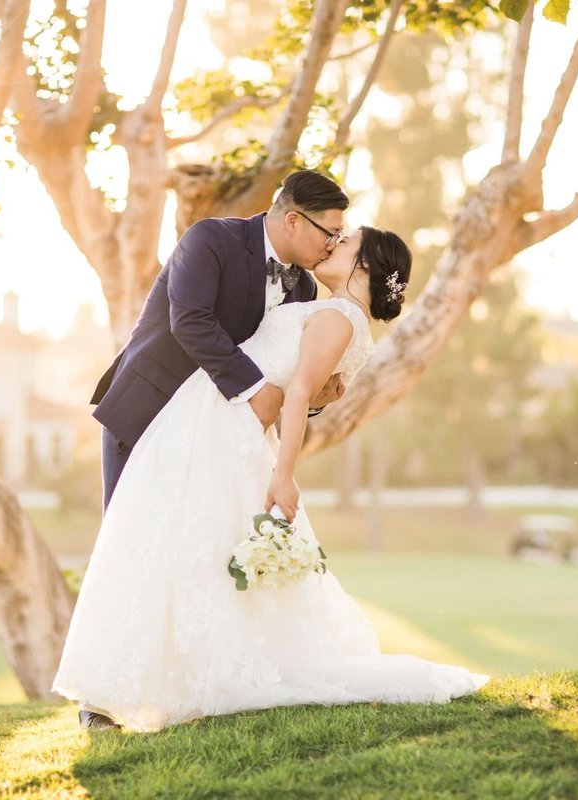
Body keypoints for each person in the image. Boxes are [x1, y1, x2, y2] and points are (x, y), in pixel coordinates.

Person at [53, 224, 490, 733]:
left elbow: (300, 394)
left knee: (181, 546)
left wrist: (284, 477)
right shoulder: (320, 304)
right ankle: (145, 683)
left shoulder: (339, 316)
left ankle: (170, 681)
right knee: (171, 546)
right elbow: (294, 388)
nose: (333, 245)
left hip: (222, 432)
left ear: (364, 267)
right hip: (204, 424)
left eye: (344, 243)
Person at [88, 170, 349, 511]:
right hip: (148, 410)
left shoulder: (304, 288)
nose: (333, 246)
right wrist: (255, 387)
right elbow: (190, 322)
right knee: (130, 546)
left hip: (213, 437)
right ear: (294, 221)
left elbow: (280, 370)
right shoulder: (211, 238)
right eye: (331, 233)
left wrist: (314, 396)